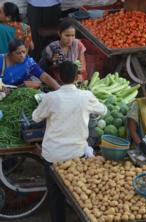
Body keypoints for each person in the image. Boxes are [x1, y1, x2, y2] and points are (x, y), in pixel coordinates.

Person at [32, 61, 107, 222]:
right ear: (76, 77)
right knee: (78, 194)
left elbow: (35, 117)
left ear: (58, 76)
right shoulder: (85, 96)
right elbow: (103, 110)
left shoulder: (50, 97)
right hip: (75, 155)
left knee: (55, 196)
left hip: (52, 155)